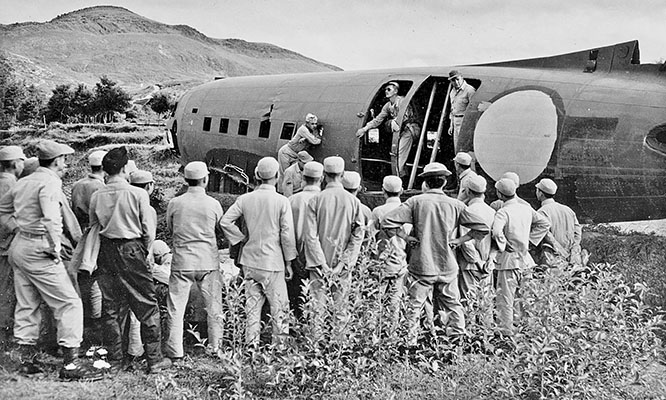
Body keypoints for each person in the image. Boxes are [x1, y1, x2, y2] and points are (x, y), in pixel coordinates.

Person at [0, 140, 102, 380]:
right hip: (40, 248)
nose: (65, 165)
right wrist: (54, 246)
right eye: (64, 161)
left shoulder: (24, 181)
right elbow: (51, 217)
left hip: (20, 246)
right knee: (69, 303)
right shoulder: (50, 183)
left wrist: (17, 228)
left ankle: (26, 361)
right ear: (56, 161)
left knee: (28, 303)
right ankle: (70, 365)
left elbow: (2, 210)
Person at [89, 146, 171, 373]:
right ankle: (154, 360)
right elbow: (148, 230)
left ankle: (115, 361)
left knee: (112, 308)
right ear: (125, 168)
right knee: (146, 304)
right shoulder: (138, 194)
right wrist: (144, 253)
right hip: (132, 249)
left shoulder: (97, 195)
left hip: (106, 251)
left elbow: (94, 226)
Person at [382, 163, 471, 347]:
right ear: (444, 182)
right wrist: (460, 241)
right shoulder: (456, 204)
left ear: (425, 183)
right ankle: (456, 343)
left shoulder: (415, 202)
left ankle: (410, 345)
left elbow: (388, 221)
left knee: (414, 306)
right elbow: (482, 227)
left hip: (422, 264)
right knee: (453, 305)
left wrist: (406, 237)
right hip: (447, 265)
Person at [220, 157, 297, 346]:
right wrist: (289, 262)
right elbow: (286, 235)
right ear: (278, 176)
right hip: (273, 261)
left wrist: (240, 238)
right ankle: (280, 347)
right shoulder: (282, 201)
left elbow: (225, 221)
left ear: (255, 175)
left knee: (252, 307)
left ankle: (251, 346)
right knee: (279, 307)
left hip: (249, 259)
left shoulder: (245, 199)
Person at [165, 162, 225, 359]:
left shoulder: (175, 203)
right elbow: (220, 229)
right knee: (214, 307)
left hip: (182, 261)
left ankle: (175, 351)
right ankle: (216, 347)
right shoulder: (213, 204)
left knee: (176, 307)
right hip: (207, 260)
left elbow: (170, 227)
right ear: (206, 180)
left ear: (185, 180)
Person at [303, 157, 364, 339]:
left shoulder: (315, 200)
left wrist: (322, 264)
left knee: (316, 308)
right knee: (341, 308)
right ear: (342, 175)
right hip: (342, 266)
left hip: (318, 265)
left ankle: (315, 346)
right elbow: (358, 235)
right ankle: (339, 346)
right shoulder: (354, 202)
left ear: (323, 176)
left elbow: (310, 236)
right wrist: (342, 264)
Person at [491, 178, 550, 335]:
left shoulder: (503, 211)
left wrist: (503, 243)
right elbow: (544, 223)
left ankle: (505, 331)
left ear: (499, 194)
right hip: (525, 259)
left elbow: (496, 232)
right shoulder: (525, 208)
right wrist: (530, 240)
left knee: (505, 298)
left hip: (508, 260)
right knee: (525, 297)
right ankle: (527, 328)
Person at [70, 149, 106, 349]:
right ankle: (95, 325)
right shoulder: (100, 188)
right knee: (96, 284)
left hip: (79, 235)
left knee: (83, 281)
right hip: (95, 237)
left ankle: (84, 323)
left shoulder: (77, 185)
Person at [368, 175, 410, 329]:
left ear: (383, 191)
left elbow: (371, 238)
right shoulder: (407, 211)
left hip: (381, 263)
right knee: (395, 303)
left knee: (374, 303)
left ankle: (372, 335)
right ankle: (391, 334)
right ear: (402, 191)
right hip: (400, 262)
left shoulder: (378, 211)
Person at [355, 81, 421, 177]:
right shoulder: (387, 105)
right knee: (398, 154)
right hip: (401, 130)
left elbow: (405, 117)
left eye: (389, 89)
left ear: (395, 91)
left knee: (399, 155)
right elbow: (378, 120)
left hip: (410, 129)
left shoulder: (402, 101)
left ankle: (399, 178)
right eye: (385, 89)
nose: (386, 91)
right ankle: (402, 176)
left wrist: (394, 122)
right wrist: (364, 129)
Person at [288, 161, 324, 319]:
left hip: (294, 258)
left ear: (303, 177)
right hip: (319, 260)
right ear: (321, 178)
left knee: (295, 301)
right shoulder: (325, 200)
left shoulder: (292, 200)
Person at [454, 175, 496, 301]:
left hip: (471, 264)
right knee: (486, 304)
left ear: (467, 191)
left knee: (469, 304)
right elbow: (496, 238)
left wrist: (478, 262)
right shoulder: (491, 211)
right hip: (487, 264)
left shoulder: (467, 211)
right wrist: (489, 260)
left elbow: (465, 241)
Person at [0, 146, 25, 347]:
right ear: (16, 163)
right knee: (7, 293)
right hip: (7, 246)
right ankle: (5, 339)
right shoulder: (12, 185)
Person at [535, 178, 582, 266]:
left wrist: (560, 251)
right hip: (571, 257)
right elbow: (578, 232)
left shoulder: (542, 212)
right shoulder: (568, 210)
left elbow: (546, 234)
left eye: (537, 190)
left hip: (551, 257)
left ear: (540, 193)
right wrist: (573, 251)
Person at [277, 113, 322, 188]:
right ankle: (282, 192)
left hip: (295, 154)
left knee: (295, 173)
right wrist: (319, 135)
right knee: (285, 174)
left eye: (315, 124)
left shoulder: (309, 130)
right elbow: (315, 141)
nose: (314, 126)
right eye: (312, 124)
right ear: (307, 123)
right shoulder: (303, 129)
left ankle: (294, 190)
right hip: (286, 152)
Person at [71, 150, 107, 230]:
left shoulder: (77, 184)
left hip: (78, 227)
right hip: (93, 229)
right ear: (103, 167)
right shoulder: (101, 187)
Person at [447, 70, 476, 149]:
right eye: (453, 80)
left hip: (464, 121)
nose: (456, 82)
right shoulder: (452, 92)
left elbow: (474, 110)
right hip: (455, 121)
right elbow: (452, 109)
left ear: (462, 78)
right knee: (457, 147)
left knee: (464, 147)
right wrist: (451, 125)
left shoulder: (469, 90)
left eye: (457, 79)